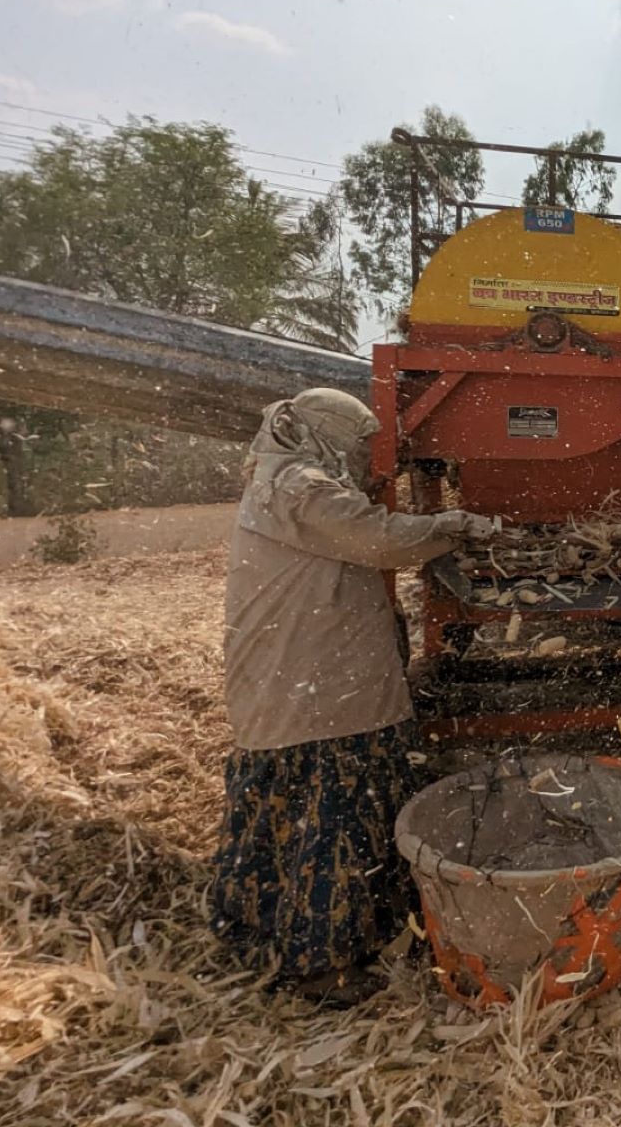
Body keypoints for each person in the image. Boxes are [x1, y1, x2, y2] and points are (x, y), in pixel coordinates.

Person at [210, 387, 502, 1005]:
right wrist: (453, 526)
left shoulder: (279, 478)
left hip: (298, 687)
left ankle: (264, 934)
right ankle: (322, 964)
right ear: (325, 435)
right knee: (335, 827)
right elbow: (381, 541)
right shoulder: (300, 486)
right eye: (361, 445)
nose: (371, 460)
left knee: (284, 820)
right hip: (318, 697)